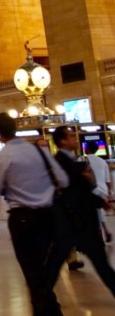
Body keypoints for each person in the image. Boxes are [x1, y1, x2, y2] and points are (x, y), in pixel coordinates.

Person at [0, 113, 73, 316]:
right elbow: (63, 179)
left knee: (37, 281)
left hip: (23, 221)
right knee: (41, 278)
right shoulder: (40, 152)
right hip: (49, 220)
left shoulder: (4, 157)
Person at [44, 126, 115, 297]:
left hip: (76, 224)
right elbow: (76, 193)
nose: (75, 138)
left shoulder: (70, 161)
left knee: (100, 265)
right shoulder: (61, 163)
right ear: (62, 141)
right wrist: (100, 201)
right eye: (70, 136)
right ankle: (40, 303)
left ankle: (40, 302)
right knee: (53, 268)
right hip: (74, 223)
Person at [84, 141, 113, 243]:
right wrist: (109, 192)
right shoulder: (102, 161)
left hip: (90, 189)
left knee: (93, 213)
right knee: (99, 212)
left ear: (87, 149)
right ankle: (105, 231)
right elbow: (108, 180)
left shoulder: (83, 160)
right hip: (102, 189)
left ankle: (101, 233)